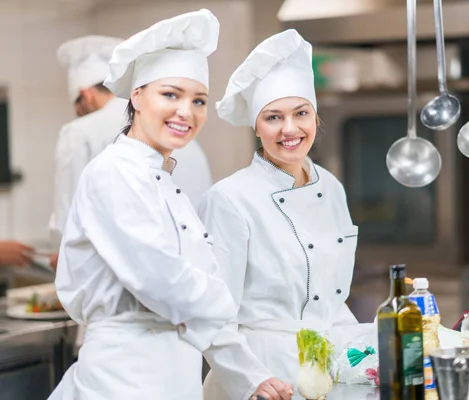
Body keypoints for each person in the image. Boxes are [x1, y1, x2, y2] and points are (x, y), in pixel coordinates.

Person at [49, 10, 291, 400]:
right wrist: (229, 297)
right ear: (137, 96)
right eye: (170, 94)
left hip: (174, 378)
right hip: (121, 377)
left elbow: (194, 301)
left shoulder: (163, 181)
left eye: (198, 100)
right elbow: (163, 282)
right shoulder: (113, 173)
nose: (186, 111)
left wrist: (250, 376)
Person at [200, 29, 361, 398]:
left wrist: (366, 350)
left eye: (301, 113)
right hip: (261, 378)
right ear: (256, 127)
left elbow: (329, 303)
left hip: (326, 371)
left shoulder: (331, 187)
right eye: (273, 117)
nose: (290, 129)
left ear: (315, 117)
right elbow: (214, 313)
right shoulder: (229, 198)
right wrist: (252, 379)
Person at [49, 35, 214, 267]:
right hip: (196, 269)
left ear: (86, 95)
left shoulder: (78, 133)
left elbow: (67, 223)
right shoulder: (187, 140)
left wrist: (65, 259)